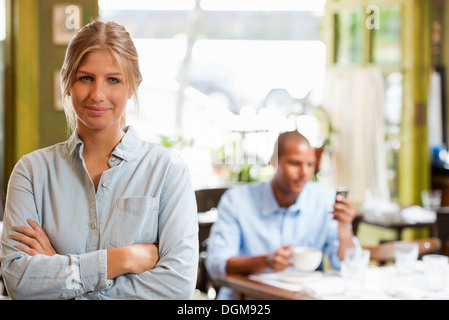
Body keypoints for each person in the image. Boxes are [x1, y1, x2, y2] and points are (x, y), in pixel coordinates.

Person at [0, 20, 198, 300]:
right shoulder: (32, 172)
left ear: (133, 86)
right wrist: (120, 259)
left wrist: (61, 273)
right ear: (67, 82)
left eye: (113, 80)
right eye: (85, 78)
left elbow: (177, 289)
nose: (97, 95)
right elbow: (18, 281)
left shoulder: (168, 171)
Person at [205, 130, 359, 299]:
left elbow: (347, 266)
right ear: (274, 161)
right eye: (295, 163)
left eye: (310, 164)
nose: (304, 173)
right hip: (247, 297)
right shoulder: (237, 201)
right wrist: (265, 261)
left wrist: (344, 228)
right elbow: (216, 263)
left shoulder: (326, 200)